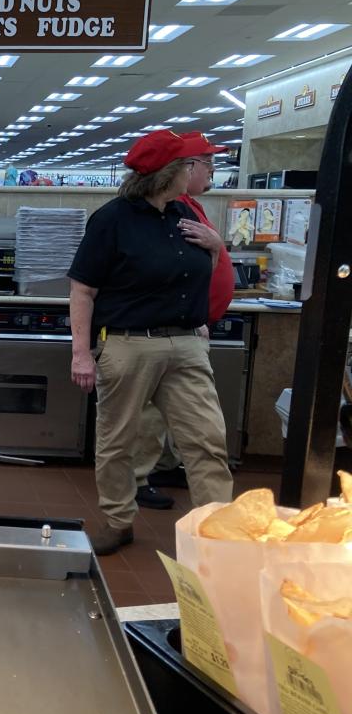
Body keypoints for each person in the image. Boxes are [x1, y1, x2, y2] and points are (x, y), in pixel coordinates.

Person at [68, 129, 233, 555]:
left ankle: (216, 537)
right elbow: (83, 290)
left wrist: (217, 248)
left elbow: (197, 272)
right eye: (191, 165)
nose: (196, 171)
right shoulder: (112, 219)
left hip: (187, 344)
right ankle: (118, 521)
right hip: (129, 345)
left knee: (207, 441)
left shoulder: (185, 213)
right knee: (118, 441)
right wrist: (81, 354)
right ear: (171, 172)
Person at [133, 132, 237, 509]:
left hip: (189, 327)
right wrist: (191, 315)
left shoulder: (190, 206)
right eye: (207, 163)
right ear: (184, 168)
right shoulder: (172, 209)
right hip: (172, 331)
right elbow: (172, 272)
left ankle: (163, 467)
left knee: (182, 418)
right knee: (150, 412)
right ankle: (138, 479)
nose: (212, 171)